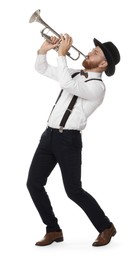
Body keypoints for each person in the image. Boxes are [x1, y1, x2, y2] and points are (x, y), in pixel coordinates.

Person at [27, 34, 120, 247]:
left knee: (73, 191)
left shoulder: (98, 88)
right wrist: (44, 50)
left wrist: (61, 55)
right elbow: (41, 69)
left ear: (104, 64)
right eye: (92, 49)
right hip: (48, 136)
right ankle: (53, 230)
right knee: (33, 184)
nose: (89, 52)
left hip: (68, 141)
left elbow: (66, 85)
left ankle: (106, 226)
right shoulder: (76, 74)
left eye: (95, 53)